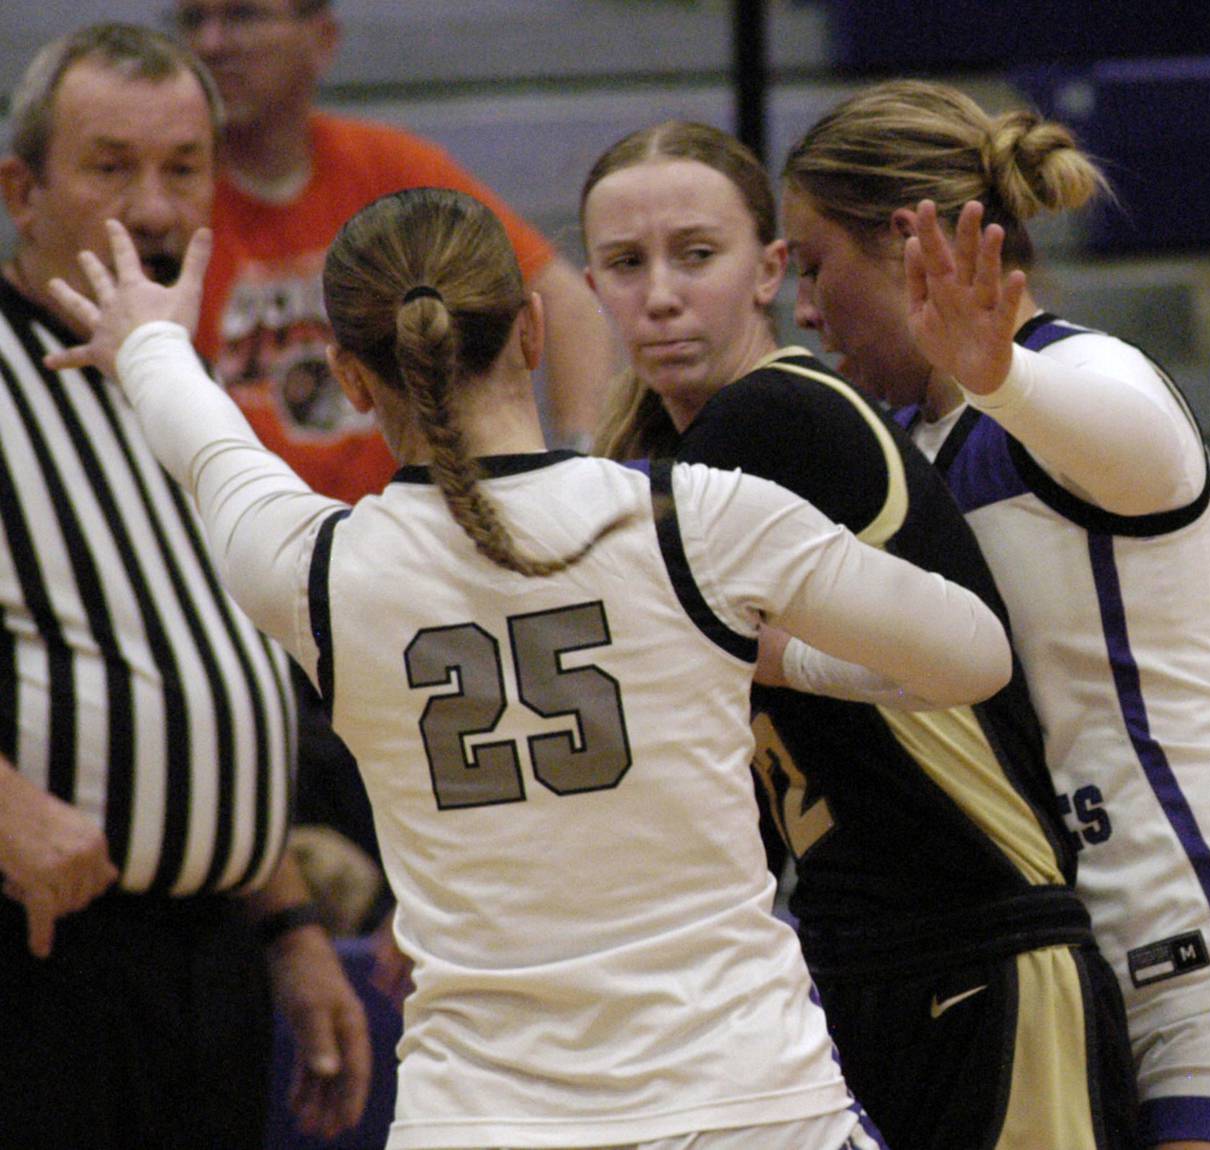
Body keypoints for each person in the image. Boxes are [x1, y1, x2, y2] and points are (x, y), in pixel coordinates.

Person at [46, 187, 1016, 1150]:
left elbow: (211, 448)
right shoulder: (700, 521)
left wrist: (150, 340)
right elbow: (973, 657)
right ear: (535, 330)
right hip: (749, 1100)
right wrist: (783, 660)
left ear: (348, 374)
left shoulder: (315, 570)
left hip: (478, 1117)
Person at [779, 78, 1210, 1150]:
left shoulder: (1087, 377)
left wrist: (997, 370)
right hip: (1060, 994)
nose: (808, 312)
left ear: (914, 239)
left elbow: (1141, 448)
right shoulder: (900, 457)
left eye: (819, 269)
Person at [583, 120, 1140, 1150]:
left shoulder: (780, 419)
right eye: (626, 263)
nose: (660, 293)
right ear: (591, 288)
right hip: (858, 969)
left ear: (770, 271)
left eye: (696, 256)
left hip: (983, 953)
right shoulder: (675, 462)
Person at [0, 22, 370, 1149]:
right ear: (22, 188)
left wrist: (290, 925)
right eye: (112, 168)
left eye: (183, 169)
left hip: (212, 957)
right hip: (42, 958)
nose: (156, 212)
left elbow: (218, 676)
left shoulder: (184, 388)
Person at [173, 0, 616, 489]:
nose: (210, 44)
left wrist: (580, 468)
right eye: (194, 21)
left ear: (322, 39)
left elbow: (568, 305)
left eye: (242, 17)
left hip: (416, 525)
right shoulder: (165, 197)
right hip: (240, 536)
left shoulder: (388, 167)